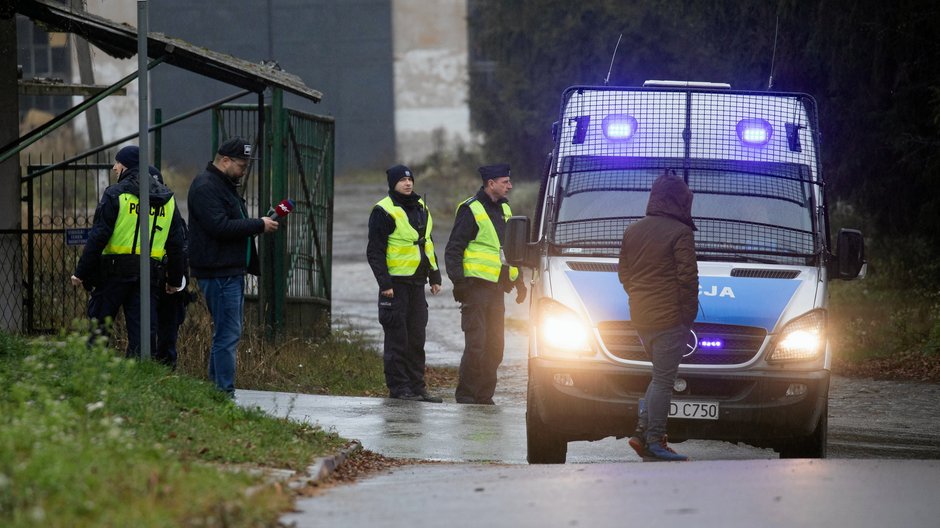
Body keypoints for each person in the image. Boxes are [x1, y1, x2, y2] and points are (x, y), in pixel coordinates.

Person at [71, 145, 186, 358]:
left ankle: (95, 373)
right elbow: (176, 244)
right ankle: (139, 377)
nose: (115, 168)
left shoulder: (116, 194)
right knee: (143, 333)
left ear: (127, 166)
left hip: (113, 273)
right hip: (149, 276)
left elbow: (98, 236)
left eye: (118, 163)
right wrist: (174, 280)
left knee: (100, 326)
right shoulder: (168, 200)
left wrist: (81, 272)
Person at [187, 137, 279, 397]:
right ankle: (223, 393)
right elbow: (219, 226)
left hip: (229, 269)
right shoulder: (206, 186)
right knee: (228, 334)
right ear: (224, 161)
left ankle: (218, 391)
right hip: (218, 271)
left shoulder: (223, 185)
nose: (244, 170)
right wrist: (258, 225)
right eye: (241, 165)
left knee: (227, 333)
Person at [618, 169, 698, 462]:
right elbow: (688, 278)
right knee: (664, 381)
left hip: (641, 317)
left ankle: (641, 433)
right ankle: (655, 441)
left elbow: (624, 274)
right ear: (680, 201)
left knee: (657, 377)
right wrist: (686, 317)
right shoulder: (681, 233)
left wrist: (639, 297)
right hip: (670, 319)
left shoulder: (632, 230)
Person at [445, 163, 526, 405]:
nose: (510, 186)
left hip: (496, 289)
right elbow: (454, 249)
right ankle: (467, 395)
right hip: (475, 288)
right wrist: (459, 283)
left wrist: (519, 280)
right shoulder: (470, 209)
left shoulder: (506, 210)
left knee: (495, 347)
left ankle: (484, 396)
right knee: (476, 345)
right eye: (505, 182)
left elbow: (509, 251)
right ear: (491, 184)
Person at [367, 165, 444, 402]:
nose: (408, 183)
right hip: (395, 286)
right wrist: (384, 283)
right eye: (402, 180)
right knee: (397, 339)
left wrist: (435, 275)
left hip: (417, 283)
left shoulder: (421, 208)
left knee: (416, 338)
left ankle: (417, 387)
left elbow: (427, 243)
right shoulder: (383, 210)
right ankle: (399, 388)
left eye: (410, 179)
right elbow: (375, 251)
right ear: (393, 184)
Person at [148, 165, 193, 370]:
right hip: (169, 281)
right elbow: (180, 247)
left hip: (155, 279)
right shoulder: (169, 206)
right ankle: (164, 370)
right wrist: (176, 281)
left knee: (149, 330)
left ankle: (152, 369)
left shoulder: (131, 205)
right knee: (166, 335)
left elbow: (179, 247)